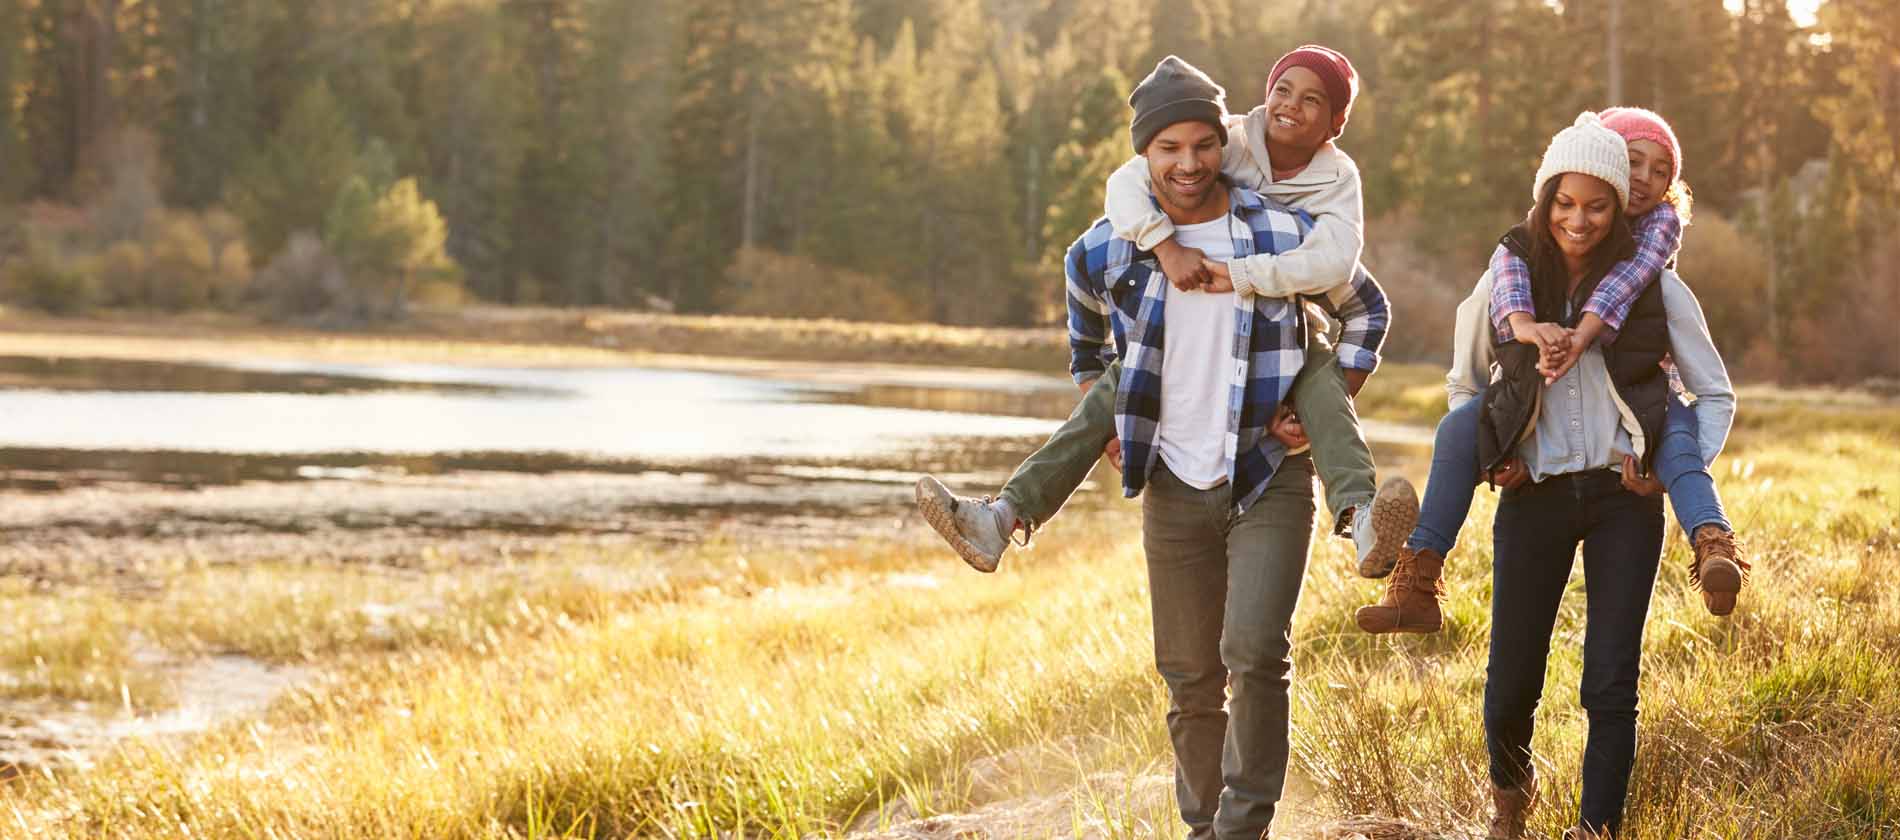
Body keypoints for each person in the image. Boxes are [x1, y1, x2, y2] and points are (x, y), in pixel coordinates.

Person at [969, 57, 1389, 839]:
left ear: (1223, 145)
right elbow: (1086, 341)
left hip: (1267, 473)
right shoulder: (1107, 247)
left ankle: (1242, 828)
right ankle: (1203, 828)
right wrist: (1108, 423)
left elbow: (1366, 304)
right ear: (1144, 155)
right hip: (1170, 480)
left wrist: (1334, 390)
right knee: (1191, 677)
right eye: (1168, 148)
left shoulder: (1280, 232)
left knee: (1255, 653)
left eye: (1202, 145)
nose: (1188, 163)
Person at [916, 45, 1416, 584]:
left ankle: (1361, 518)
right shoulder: (1227, 140)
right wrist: (1164, 246)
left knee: (1320, 376)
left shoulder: (1335, 182)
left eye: (1312, 99)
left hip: (1287, 328)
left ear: (1336, 122)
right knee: (1117, 384)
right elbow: (1125, 184)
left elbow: (1343, 268)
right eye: (1283, 90)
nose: (1190, 162)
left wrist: (1316, 399)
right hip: (1179, 337)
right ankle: (1002, 518)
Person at [1354, 106, 1745, 636]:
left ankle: (1713, 542)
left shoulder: (1654, 258)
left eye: (1660, 172)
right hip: (1535, 466)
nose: (1644, 180)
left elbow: (1635, 292)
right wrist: (1495, 453)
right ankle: (1417, 577)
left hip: (1638, 421)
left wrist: (1581, 336)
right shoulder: (1517, 259)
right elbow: (1469, 372)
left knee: (1677, 438)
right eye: (1633, 163)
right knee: (1456, 428)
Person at [1460, 112, 1728, 840]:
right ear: (1551, 198)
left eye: (1600, 205)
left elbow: (1714, 393)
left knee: (1610, 681)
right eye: (1568, 202)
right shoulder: (1510, 279)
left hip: (1623, 500)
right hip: (1535, 495)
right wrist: (1497, 456)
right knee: (1511, 679)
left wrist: (1671, 470)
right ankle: (1510, 800)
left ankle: (1596, 828)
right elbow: (1464, 385)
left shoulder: (1657, 289)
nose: (1581, 218)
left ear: (1616, 209)